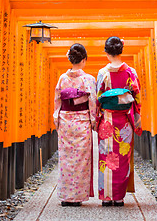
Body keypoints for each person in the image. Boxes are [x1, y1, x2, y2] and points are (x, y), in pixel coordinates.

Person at [96, 36, 142, 206]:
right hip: (123, 123)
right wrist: (136, 118)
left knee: (106, 157)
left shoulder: (103, 73)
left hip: (107, 122)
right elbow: (136, 99)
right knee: (122, 158)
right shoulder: (131, 72)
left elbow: (98, 98)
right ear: (121, 50)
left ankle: (106, 197)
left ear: (106, 52)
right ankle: (119, 197)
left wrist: (96, 119)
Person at [53, 43, 96, 207]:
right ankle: (77, 197)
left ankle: (66, 196)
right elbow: (92, 103)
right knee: (81, 159)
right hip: (82, 120)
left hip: (65, 120)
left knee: (65, 158)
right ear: (84, 60)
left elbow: (57, 101)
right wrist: (94, 121)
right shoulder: (88, 79)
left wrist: (57, 120)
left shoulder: (62, 79)